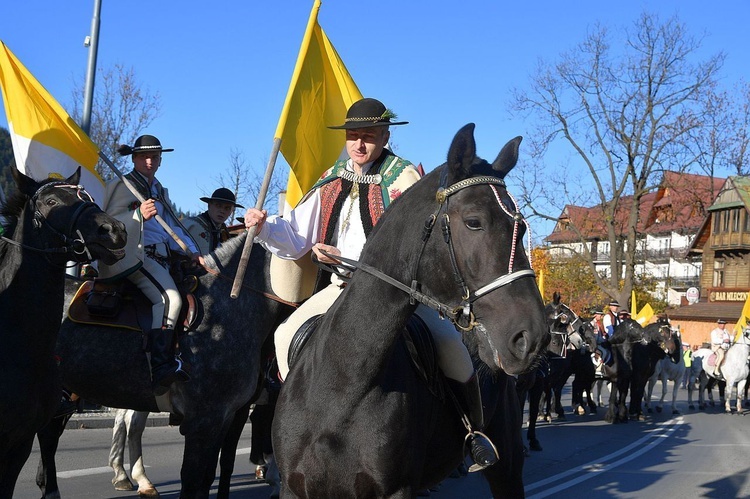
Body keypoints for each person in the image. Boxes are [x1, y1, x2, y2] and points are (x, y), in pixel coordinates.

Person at [244, 97, 498, 471]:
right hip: (340, 289)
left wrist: (357, 260)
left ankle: (471, 435)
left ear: (385, 136)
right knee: (284, 336)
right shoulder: (332, 179)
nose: (359, 145)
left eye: (369, 136)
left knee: (451, 348)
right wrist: (264, 225)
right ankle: (297, 428)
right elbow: (297, 235)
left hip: (401, 294)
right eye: (353, 136)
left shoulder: (406, 179)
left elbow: (419, 244)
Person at [97, 134, 200, 395]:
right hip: (136, 255)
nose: (149, 161)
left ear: (161, 160)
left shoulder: (159, 190)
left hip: (164, 256)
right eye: (144, 156)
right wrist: (137, 215)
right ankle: (161, 366)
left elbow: (172, 229)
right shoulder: (122, 186)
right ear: (134, 158)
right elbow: (105, 224)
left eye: (155, 157)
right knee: (170, 300)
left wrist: (194, 252)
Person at [184, 188, 244, 255]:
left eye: (227, 208)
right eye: (218, 205)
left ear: (231, 212)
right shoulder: (190, 225)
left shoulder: (224, 235)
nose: (222, 211)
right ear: (209, 205)